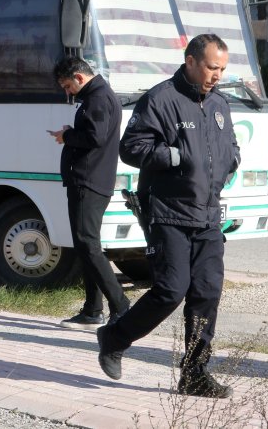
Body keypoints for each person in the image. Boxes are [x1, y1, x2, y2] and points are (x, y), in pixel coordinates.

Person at [96, 34, 240, 399]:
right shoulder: (161, 99)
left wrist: (230, 162)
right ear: (190, 60)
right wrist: (174, 157)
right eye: (211, 67)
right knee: (170, 291)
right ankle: (114, 337)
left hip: (208, 215)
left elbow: (231, 147)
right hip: (169, 213)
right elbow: (132, 146)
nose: (216, 76)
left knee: (207, 292)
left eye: (221, 69)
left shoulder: (220, 104)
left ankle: (194, 372)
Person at [49, 57, 130, 331]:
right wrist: (72, 132)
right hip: (90, 180)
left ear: (80, 78)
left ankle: (120, 305)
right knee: (86, 245)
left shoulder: (97, 98)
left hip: (89, 181)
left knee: (88, 244)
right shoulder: (99, 95)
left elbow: (94, 137)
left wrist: (68, 136)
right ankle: (92, 310)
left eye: (68, 85)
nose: (68, 91)